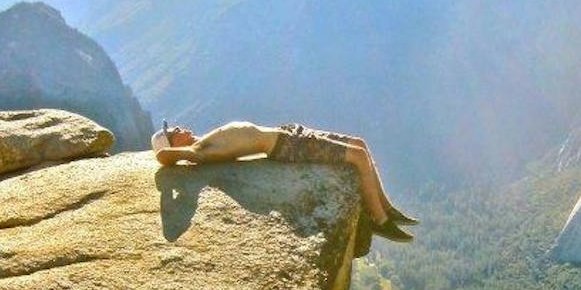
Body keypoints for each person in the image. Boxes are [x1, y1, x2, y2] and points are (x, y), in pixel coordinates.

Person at [151, 119, 418, 242]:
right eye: (171, 132)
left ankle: (385, 207)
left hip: (288, 132)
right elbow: (163, 156)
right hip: (287, 146)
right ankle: (380, 222)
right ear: (172, 144)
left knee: (359, 143)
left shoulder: (202, 142)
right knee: (357, 156)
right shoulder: (198, 152)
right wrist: (170, 151)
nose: (177, 128)